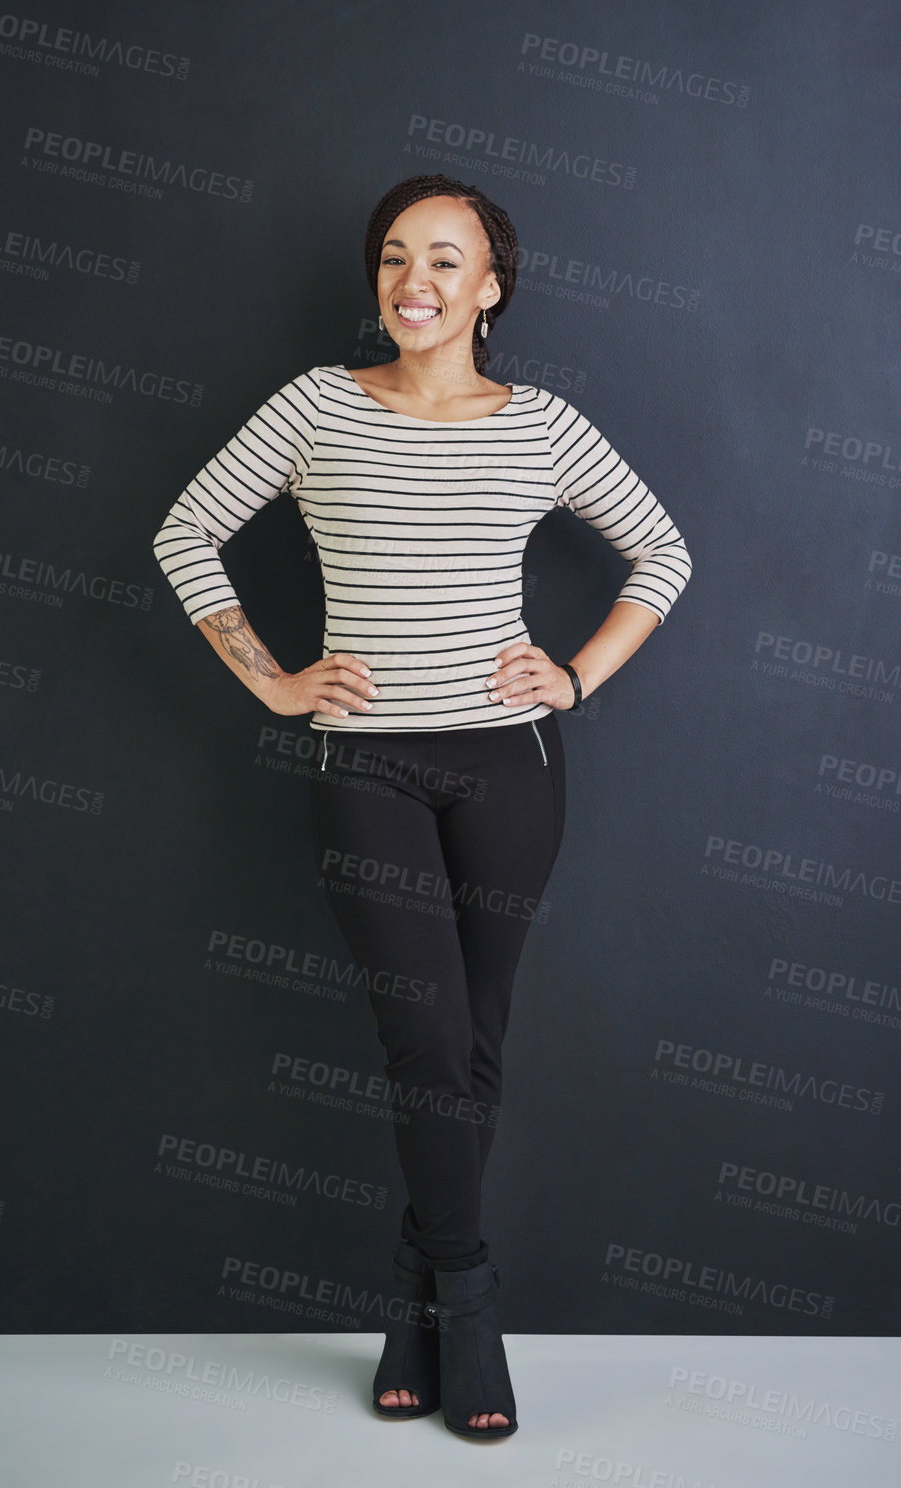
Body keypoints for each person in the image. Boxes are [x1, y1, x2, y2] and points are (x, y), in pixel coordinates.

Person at [152, 174, 691, 1440]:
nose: (415, 281)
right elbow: (188, 533)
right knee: (428, 1045)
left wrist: (573, 675)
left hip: (511, 768)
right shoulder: (314, 408)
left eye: (446, 261)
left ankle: (414, 1305)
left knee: (477, 1044)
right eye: (397, 257)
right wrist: (274, 684)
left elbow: (662, 552)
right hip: (370, 769)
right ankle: (472, 1305)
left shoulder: (542, 425)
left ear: (488, 289)